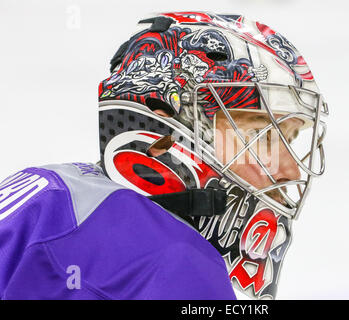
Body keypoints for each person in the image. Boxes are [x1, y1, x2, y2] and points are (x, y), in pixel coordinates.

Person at [0, 11, 328, 300]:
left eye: (290, 138)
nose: (289, 169)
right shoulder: (177, 265)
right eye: (261, 134)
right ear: (165, 128)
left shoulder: (47, 189)